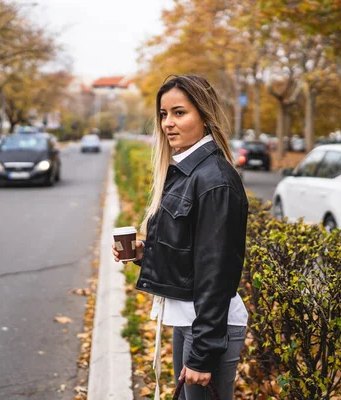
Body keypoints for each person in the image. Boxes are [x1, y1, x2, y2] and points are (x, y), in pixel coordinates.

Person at [112, 74, 249, 400]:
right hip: (189, 320)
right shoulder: (185, 171)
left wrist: (202, 354)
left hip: (207, 328)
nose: (167, 124)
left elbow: (217, 274)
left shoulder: (215, 180)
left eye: (179, 112)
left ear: (204, 115)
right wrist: (145, 252)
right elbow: (191, 251)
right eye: (163, 114)